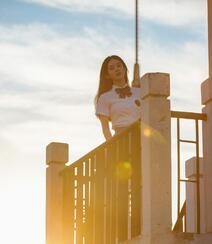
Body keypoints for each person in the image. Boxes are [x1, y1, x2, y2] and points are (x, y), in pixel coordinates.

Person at [95, 55, 141, 140]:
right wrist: (112, 147)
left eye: (119, 65)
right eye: (112, 68)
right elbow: (106, 129)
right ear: (107, 75)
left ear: (124, 68)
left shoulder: (139, 92)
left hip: (142, 137)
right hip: (121, 140)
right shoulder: (104, 97)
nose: (117, 69)